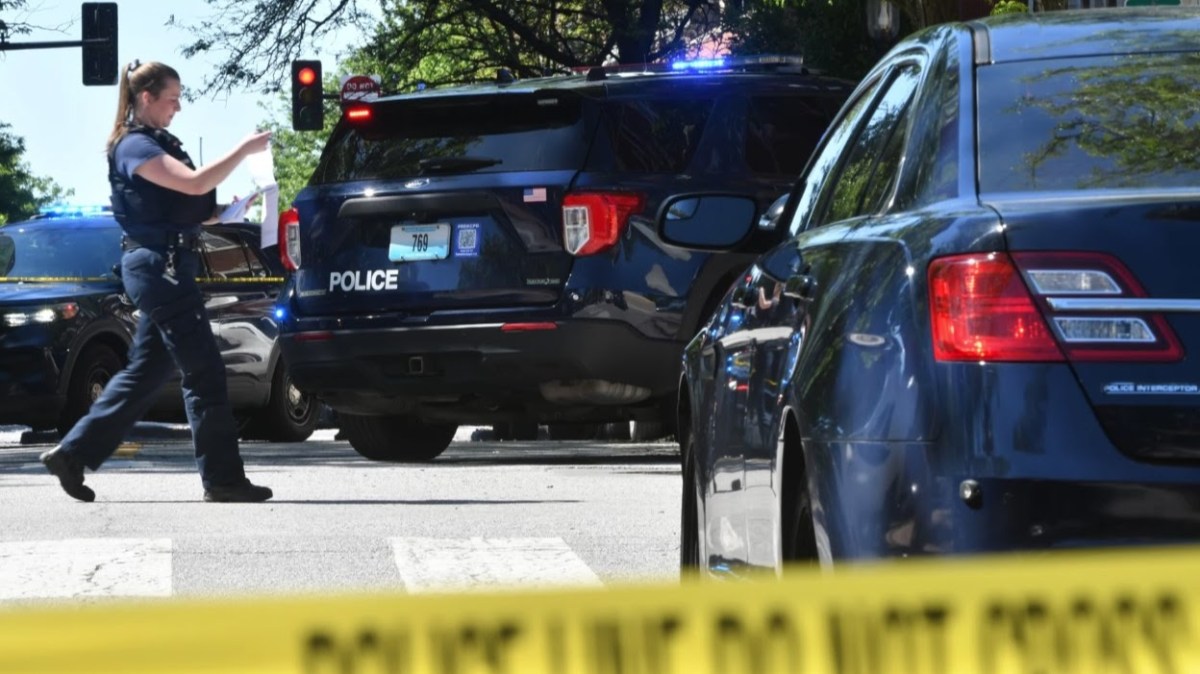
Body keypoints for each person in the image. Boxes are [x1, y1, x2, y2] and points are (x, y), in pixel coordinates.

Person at [40, 60, 274, 503]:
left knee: (149, 369)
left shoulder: (153, 143)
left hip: (166, 265)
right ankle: (223, 479)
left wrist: (224, 211)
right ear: (146, 98)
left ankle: (73, 454)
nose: (178, 108)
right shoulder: (133, 146)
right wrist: (244, 149)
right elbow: (194, 182)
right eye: (172, 99)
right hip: (158, 269)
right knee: (204, 369)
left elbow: (187, 203)